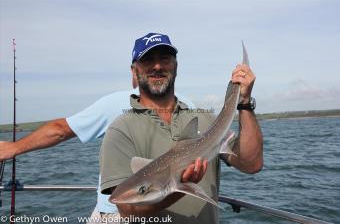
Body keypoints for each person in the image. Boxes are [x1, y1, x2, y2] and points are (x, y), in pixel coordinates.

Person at [100, 32, 263, 224]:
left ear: (175, 67)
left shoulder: (205, 119)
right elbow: (128, 210)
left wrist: (243, 103)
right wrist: (180, 186)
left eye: (164, 59)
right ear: (134, 71)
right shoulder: (120, 130)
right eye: (148, 60)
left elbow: (251, 164)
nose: (157, 66)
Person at [0, 66, 195, 222]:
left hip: (117, 214)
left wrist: (13, 148)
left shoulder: (115, 103)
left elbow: (61, 130)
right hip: (169, 207)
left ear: (134, 72)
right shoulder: (189, 105)